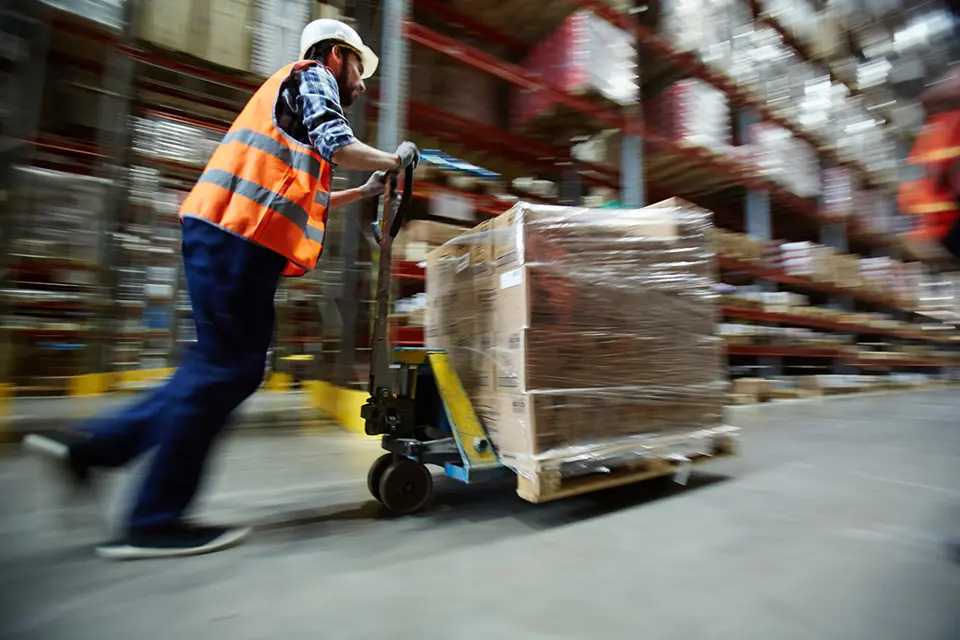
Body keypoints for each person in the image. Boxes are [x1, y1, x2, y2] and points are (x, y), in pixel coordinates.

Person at [23, 19, 420, 560]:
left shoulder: (293, 112)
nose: (362, 82)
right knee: (226, 369)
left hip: (231, 237)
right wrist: (394, 161)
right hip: (236, 238)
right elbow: (338, 141)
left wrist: (368, 187)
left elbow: (309, 198)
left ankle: (93, 448)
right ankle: (153, 519)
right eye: (358, 67)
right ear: (335, 56)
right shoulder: (311, 77)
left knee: (218, 367)